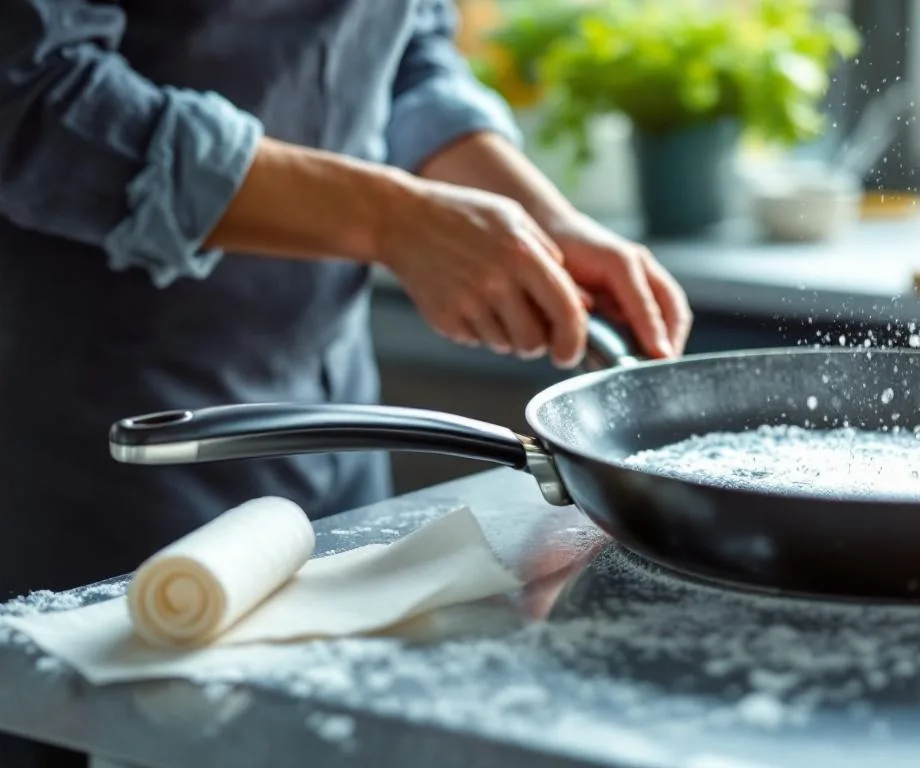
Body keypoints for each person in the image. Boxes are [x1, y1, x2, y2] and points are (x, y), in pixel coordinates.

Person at [0, 0, 691, 760]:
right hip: (94, 422)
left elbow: (406, 50)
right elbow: (33, 97)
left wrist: (537, 216)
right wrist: (393, 222)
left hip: (331, 405)